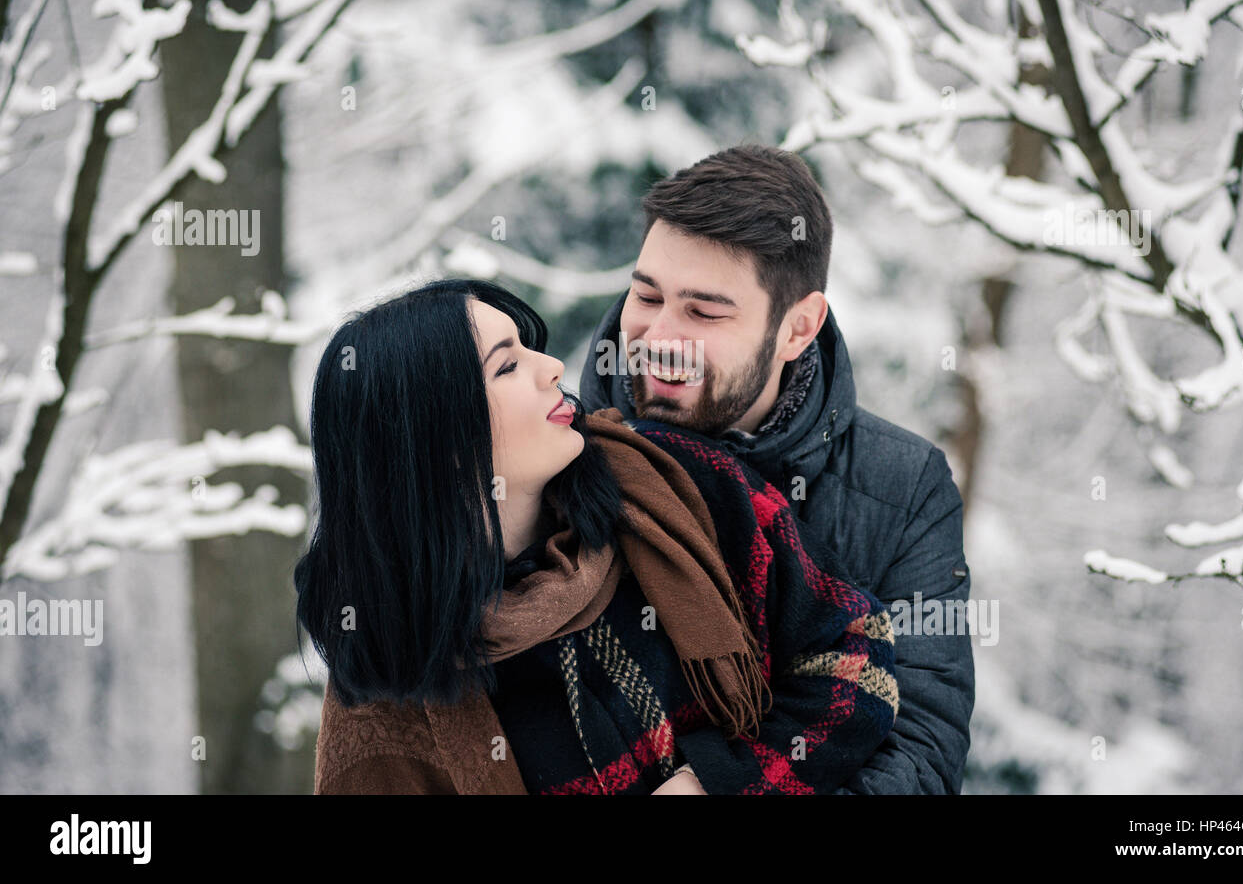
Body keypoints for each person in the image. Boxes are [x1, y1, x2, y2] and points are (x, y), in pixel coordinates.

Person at [296, 278, 899, 794]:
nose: (553, 367)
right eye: (507, 365)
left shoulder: (670, 482)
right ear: (438, 443)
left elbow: (855, 651)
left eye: (530, 348)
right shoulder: (384, 684)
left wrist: (718, 781)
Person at [579, 145, 976, 794]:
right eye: (646, 295)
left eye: (704, 311)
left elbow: (921, 758)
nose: (658, 335)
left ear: (798, 327)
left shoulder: (904, 487)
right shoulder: (554, 449)